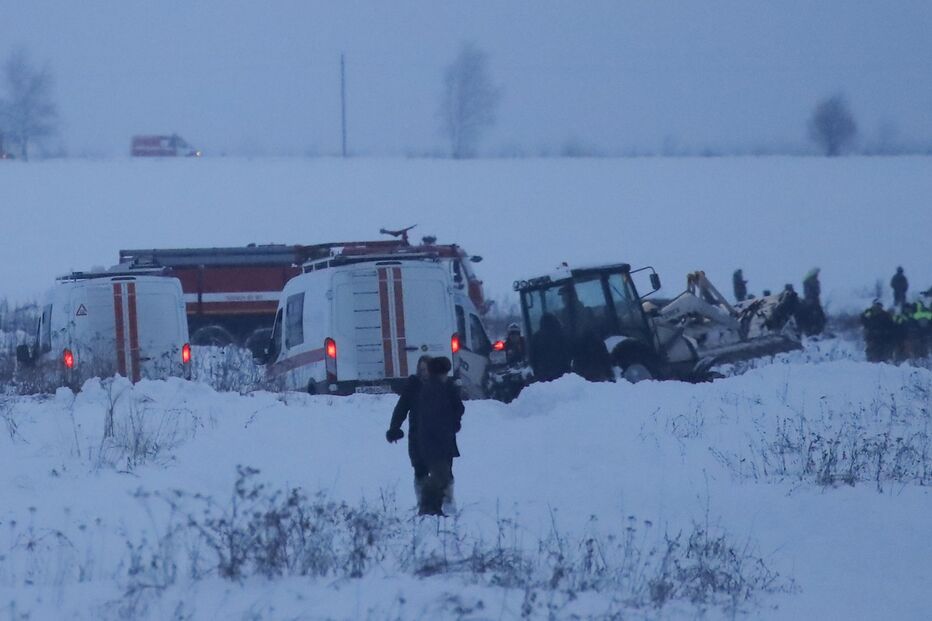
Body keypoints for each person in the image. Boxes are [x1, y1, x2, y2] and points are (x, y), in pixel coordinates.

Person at [415, 356, 465, 516]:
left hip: (437, 441)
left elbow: (456, 408)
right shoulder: (435, 390)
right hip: (436, 442)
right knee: (441, 475)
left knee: (442, 475)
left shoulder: (439, 388)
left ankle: (433, 506)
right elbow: (436, 417)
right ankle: (428, 506)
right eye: (444, 372)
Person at [386, 355, 432, 510]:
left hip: (437, 437)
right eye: (422, 369)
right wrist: (394, 428)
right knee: (420, 471)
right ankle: (423, 505)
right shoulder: (413, 386)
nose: (424, 372)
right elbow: (401, 408)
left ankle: (445, 506)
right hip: (417, 437)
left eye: (427, 369)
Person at [530, 313, 571, 381]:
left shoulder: (536, 337)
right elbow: (568, 353)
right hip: (562, 374)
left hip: (543, 375)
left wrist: (537, 372)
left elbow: (532, 358)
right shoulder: (561, 334)